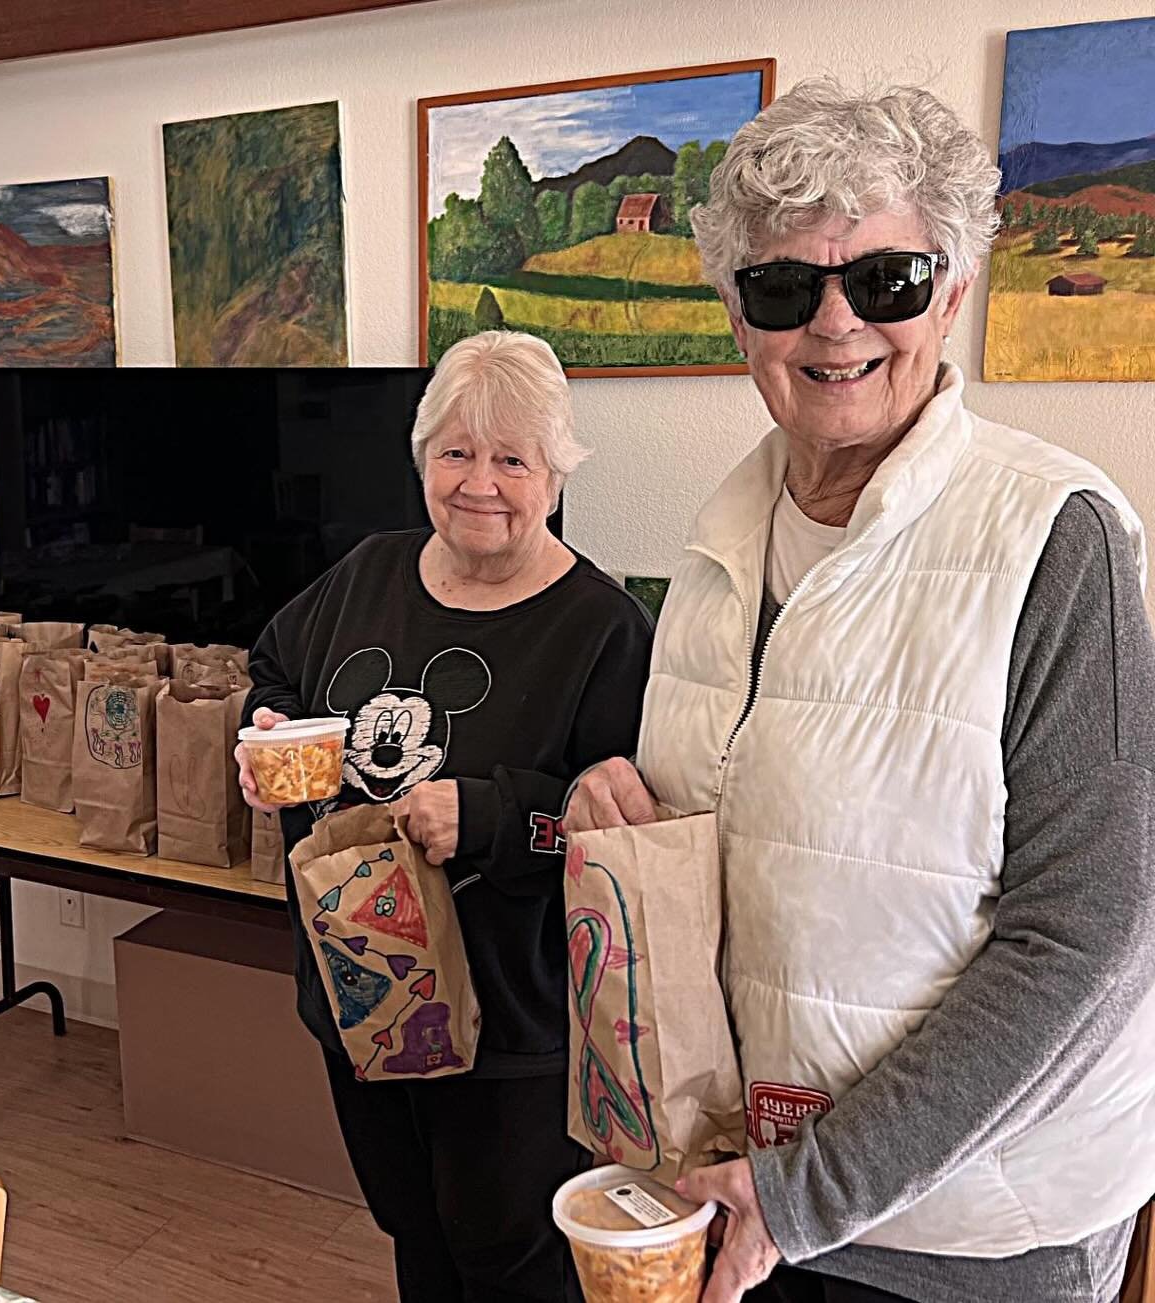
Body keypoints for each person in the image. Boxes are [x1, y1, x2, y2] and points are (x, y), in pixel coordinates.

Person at [567, 80, 1155, 1303]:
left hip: (972, 1235)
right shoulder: (722, 538)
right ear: (740, 322)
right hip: (746, 1191)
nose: (836, 326)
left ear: (951, 292)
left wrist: (815, 1188)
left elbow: (1092, 936)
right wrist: (627, 819)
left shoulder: (1058, 534)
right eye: (786, 289)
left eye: (884, 280)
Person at [238, 330, 654, 1302]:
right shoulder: (368, 573)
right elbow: (275, 673)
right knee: (412, 1230)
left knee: (506, 1254)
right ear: (423, 458)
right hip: (363, 995)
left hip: (512, 1025)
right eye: (456, 452)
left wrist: (495, 816)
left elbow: (629, 844)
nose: (480, 481)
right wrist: (269, 741)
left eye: (512, 457)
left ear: (555, 473)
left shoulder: (603, 629)